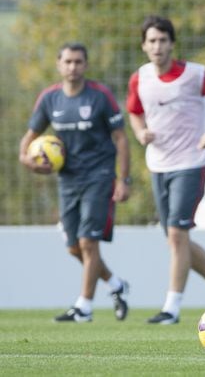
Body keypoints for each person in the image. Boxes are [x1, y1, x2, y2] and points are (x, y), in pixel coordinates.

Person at [126, 15, 205, 325]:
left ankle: (171, 309)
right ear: (144, 46)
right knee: (178, 239)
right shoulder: (140, 79)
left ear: (172, 44)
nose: (157, 46)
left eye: (163, 40)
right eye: (152, 41)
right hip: (158, 164)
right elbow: (134, 113)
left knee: (177, 234)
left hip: (192, 161)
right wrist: (140, 133)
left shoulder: (195, 75)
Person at [19, 43, 132, 323]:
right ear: (59, 64)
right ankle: (116, 284)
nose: (73, 67)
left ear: (86, 65)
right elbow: (30, 135)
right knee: (74, 247)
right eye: (68, 61)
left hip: (99, 175)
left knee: (88, 242)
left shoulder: (100, 96)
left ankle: (84, 307)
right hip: (68, 179)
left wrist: (123, 178)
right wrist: (27, 159)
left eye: (78, 62)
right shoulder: (49, 99)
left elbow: (120, 138)